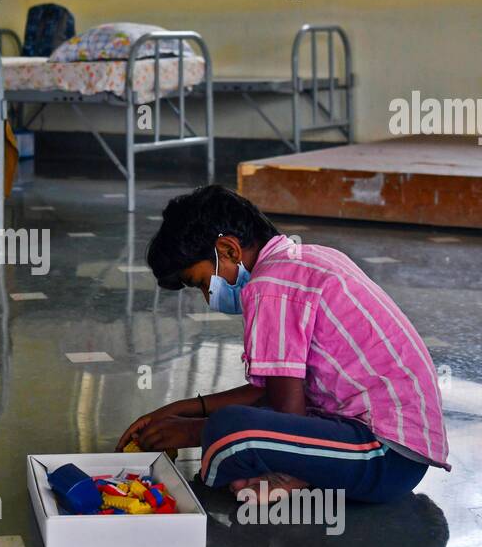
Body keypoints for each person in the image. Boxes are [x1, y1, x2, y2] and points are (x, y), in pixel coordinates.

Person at [116, 185, 449, 503]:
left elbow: (287, 415)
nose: (208, 297)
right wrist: (180, 410)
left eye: (203, 283)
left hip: (385, 455)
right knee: (238, 425)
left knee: (228, 429)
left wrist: (191, 432)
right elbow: (271, 392)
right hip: (395, 451)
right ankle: (296, 476)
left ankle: (290, 473)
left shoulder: (270, 286)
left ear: (228, 250)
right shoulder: (306, 259)